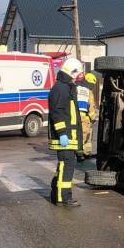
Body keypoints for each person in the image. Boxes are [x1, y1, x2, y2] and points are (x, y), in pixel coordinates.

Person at [48, 57, 84, 206]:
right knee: (67, 165)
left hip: (69, 136)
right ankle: (63, 198)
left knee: (65, 165)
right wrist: (62, 133)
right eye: (78, 74)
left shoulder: (65, 87)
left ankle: (57, 193)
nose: (78, 77)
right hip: (65, 137)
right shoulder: (61, 88)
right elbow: (57, 112)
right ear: (72, 72)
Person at [76, 71, 98, 161]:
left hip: (75, 116)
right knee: (85, 135)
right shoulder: (88, 91)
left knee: (79, 135)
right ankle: (81, 154)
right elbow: (91, 106)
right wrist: (94, 118)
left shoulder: (76, 88)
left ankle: (84, 152)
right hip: (84, 117)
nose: (92, 86)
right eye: (92, 84)